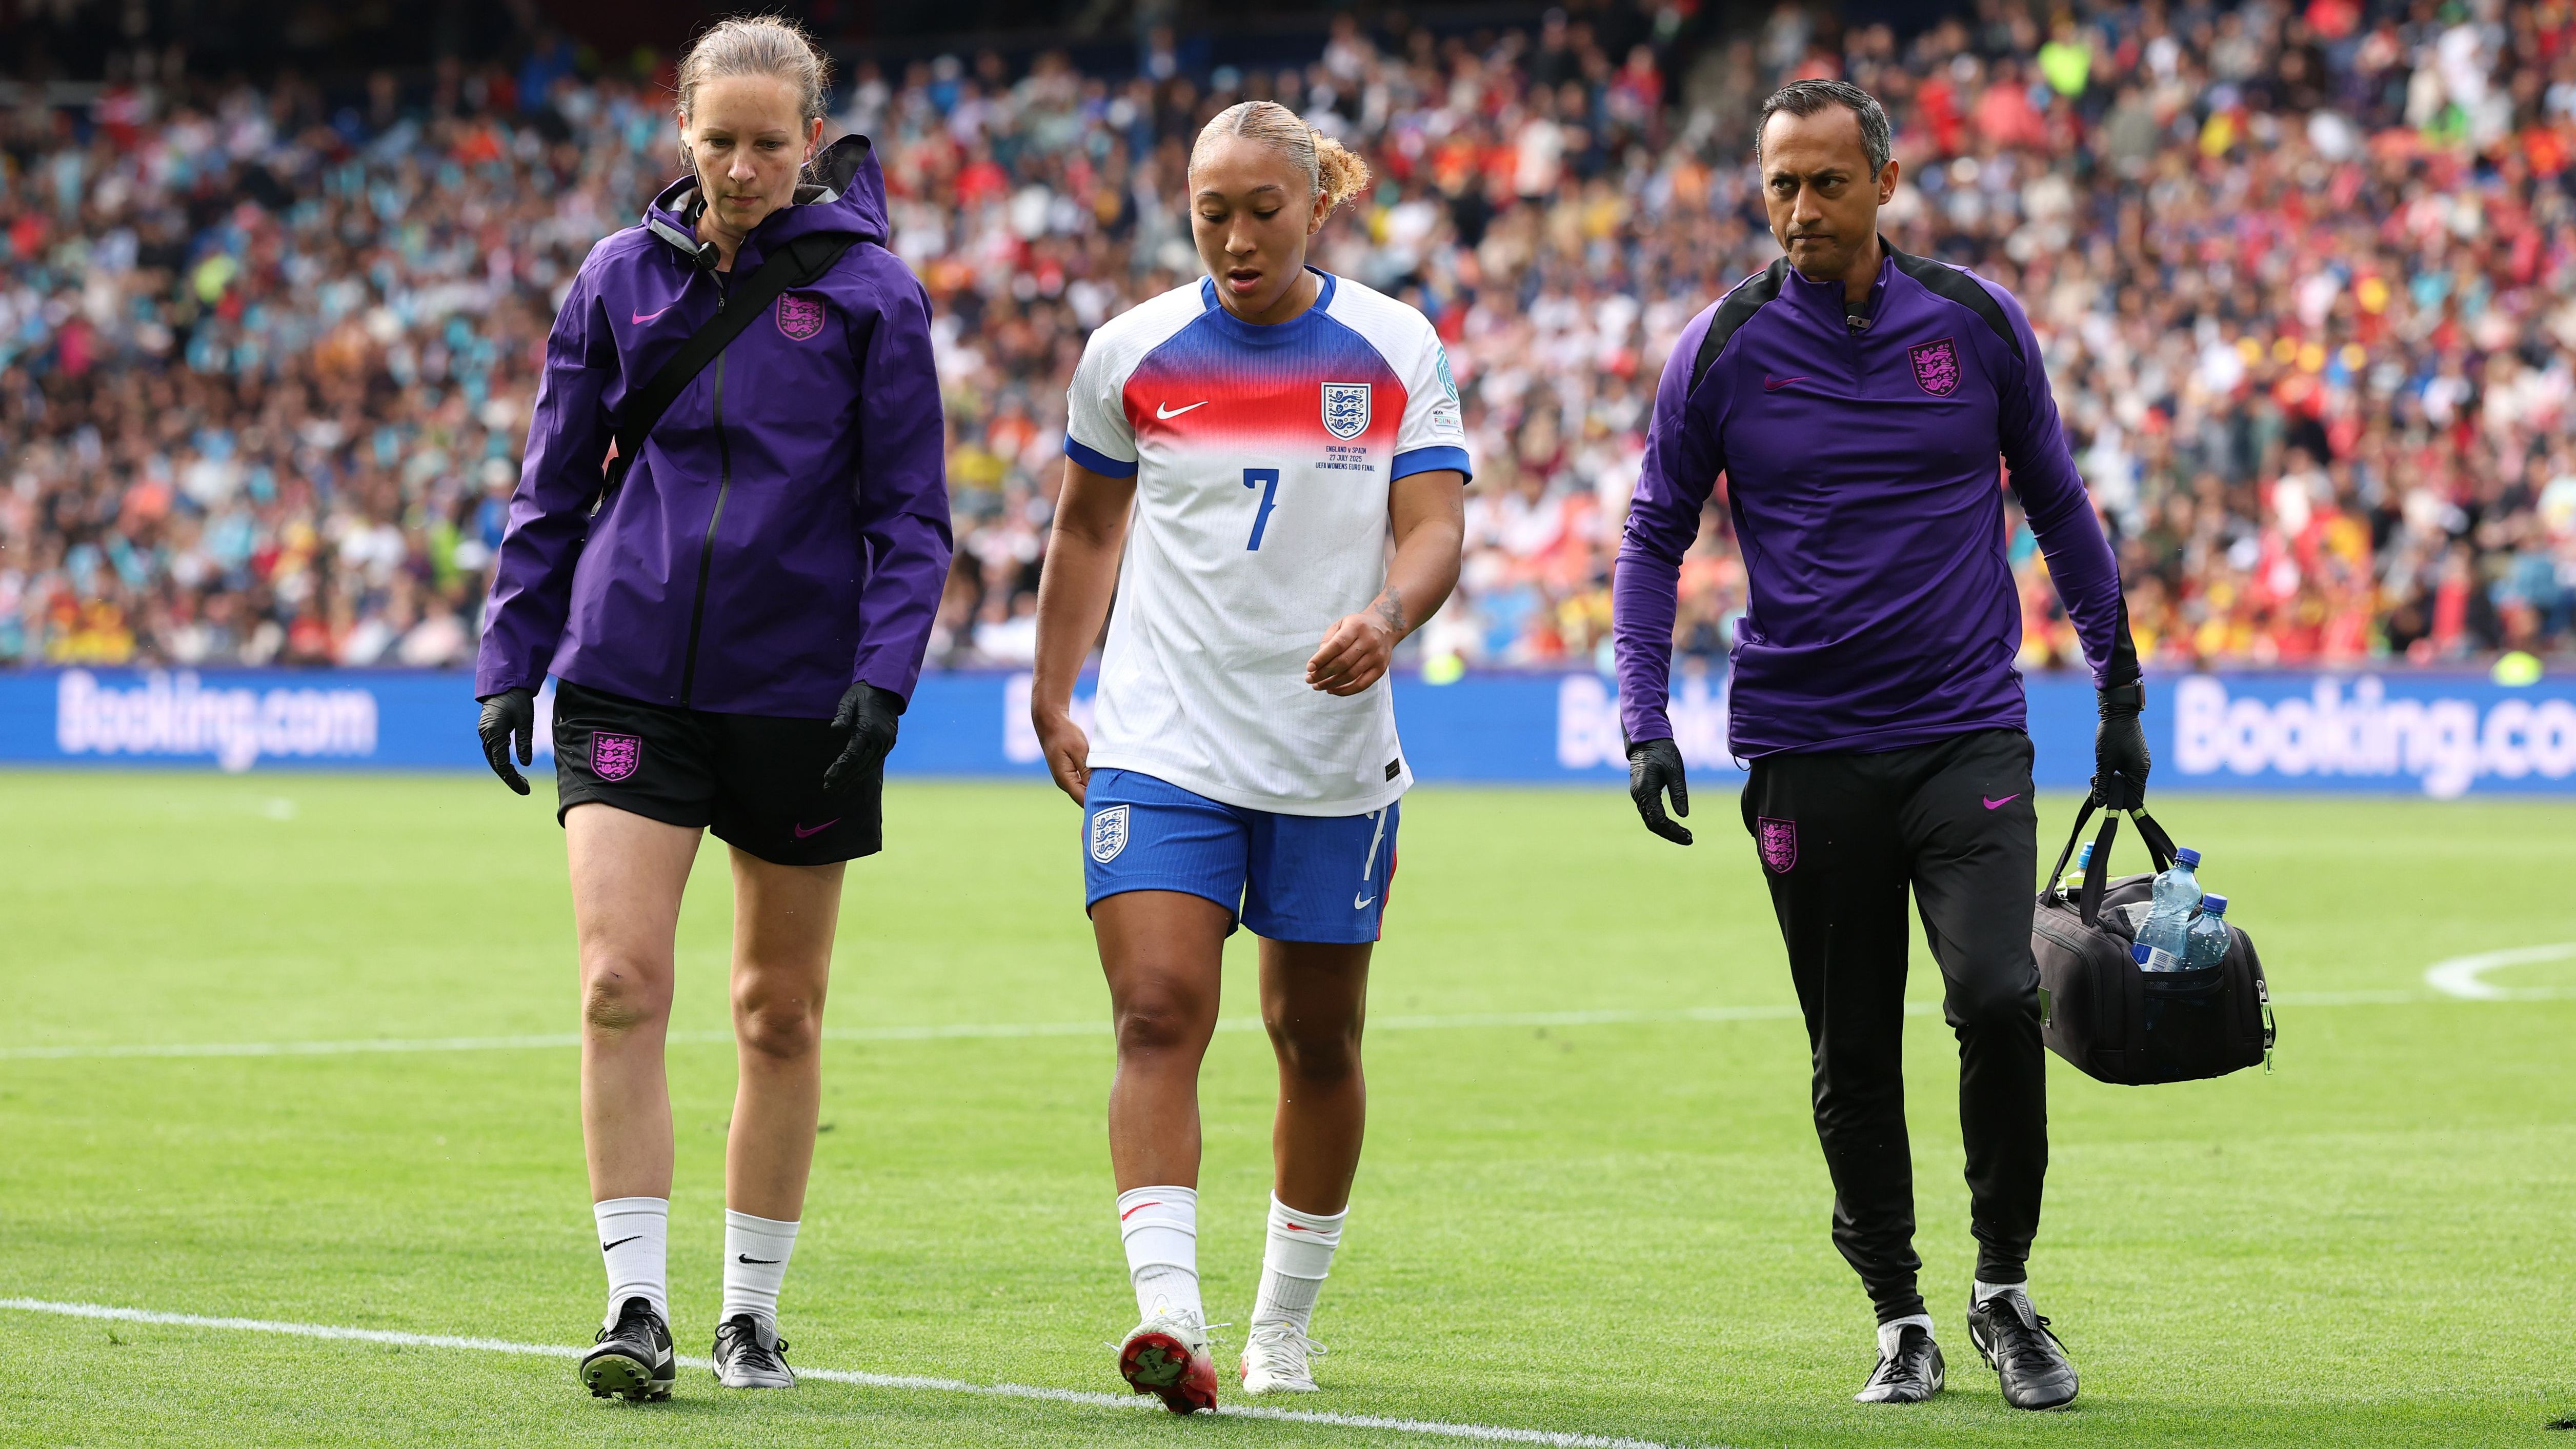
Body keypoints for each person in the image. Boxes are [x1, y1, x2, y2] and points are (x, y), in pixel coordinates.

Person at [1612, 79, 2151, 1412]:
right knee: (1849, 1049)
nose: (1801, 208)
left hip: (1964, 731)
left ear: (1885, 183)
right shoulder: (1722, 347)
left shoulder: (1973, 324)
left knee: (1995, 994)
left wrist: (2118, 684)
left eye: (1827, 183)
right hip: (1802, 747)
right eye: (1781, 184)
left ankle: (2004, 1291)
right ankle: (1898, 1312)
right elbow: (1652, 534)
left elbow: (2062, 502)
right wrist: (1645, 717)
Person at [470, 16, 950, 1401]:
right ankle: (635, 1305)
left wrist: (884, 671)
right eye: (717, 139)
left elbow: (912, 518)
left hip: (806, 694)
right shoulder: (617, 279)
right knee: (620, 985)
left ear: (812, 140)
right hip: (627, 675)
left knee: (778, 1011)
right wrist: (516, 651)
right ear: (682, 131)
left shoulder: (876, 297)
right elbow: (552, 483)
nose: (740, 167)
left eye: (766, 142)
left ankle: (751, 1313)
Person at [1027, 100, 1471, 1413]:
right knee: (1158, 1010)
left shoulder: (1394, 345)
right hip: (1163, 742)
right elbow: (1087, 534)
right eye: (1209, 212)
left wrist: (1389, 618)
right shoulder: (1130, 352)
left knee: (1315, 1039)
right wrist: (1055, 692)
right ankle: (1171, 1312)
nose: (1232, 236)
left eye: (1259, 210)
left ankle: (1283, 1323)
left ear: (1314, 205)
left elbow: (1434, 525)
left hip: (1331, 754)